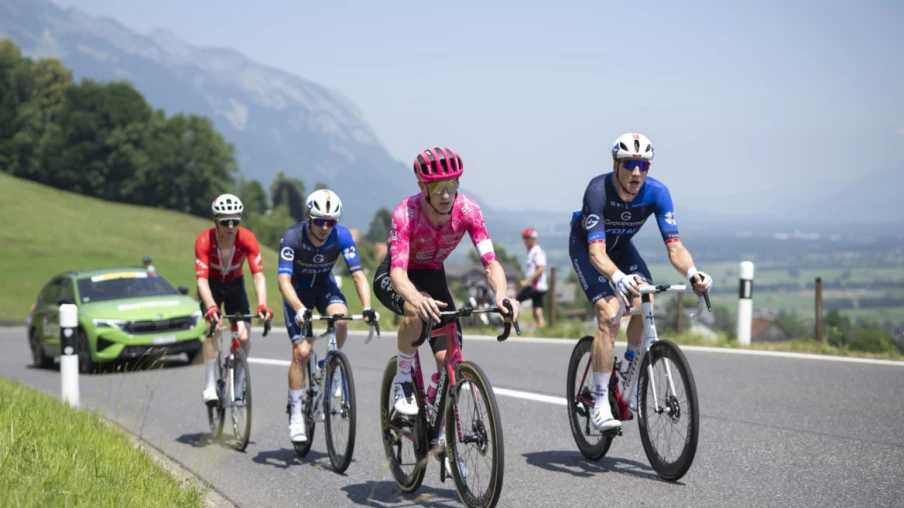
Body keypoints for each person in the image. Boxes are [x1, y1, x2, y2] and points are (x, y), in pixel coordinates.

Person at [372, 146, 520, 477]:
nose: (445, 193)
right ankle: (402, 381)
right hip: (398, 275)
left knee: (449, 360)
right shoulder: (405, 213)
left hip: (433, 276)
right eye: (437, 186)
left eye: (451, 184)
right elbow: (397, 274)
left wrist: (502, 295)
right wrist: (415, 297)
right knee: (415, 311)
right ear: (423, 188)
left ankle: (440, 438)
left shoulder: (468, 210)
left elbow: (490, 262)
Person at [569, 133, 712, 432]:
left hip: (620, 248)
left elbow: (675, 247)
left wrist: (693, 273)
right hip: (588, 249)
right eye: (630, 164)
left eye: (643, 166)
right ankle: (600, 403)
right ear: (615, 164)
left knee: (645, 300)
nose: (636, 173)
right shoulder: (597, 190)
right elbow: (596, 252)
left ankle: (628, 369)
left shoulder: (658, 193)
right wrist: (617, 277)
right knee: (610, 315)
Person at [278, 189, 376, 444]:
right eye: (319, 221)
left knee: (341, 319)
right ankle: (297, 414)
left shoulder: (341, 236)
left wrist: (367, 307)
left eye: (330, 222)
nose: (324, 227)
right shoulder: (292, 237)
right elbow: (283, 280)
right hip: (297, 294)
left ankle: (331, 365)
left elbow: (358, 275)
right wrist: (299, 308)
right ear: (308, 217)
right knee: (302, 352)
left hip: (323, 288)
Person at [195, 194, 274, 405]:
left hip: (235, 285)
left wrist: (262, 304)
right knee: (215, 325)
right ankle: (210, 385)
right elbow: (201, 281)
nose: (231, 226)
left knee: (244, 336)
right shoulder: (204, 240)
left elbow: (258, 275)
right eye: (225, 222)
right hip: (211, 284)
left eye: (235, 221)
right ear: (215, 221)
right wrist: (211, 307)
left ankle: (238, 383)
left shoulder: (247, 238)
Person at [516, 227, 548, 328]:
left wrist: (527, 281)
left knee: (516, 300)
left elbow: (540, 268)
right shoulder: (532, 251)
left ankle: (513, 322)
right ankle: (541, 326)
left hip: (535, 285)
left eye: (526, 239)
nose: (525, 242)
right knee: (537, 307)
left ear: (532, 239)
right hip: (537, 285)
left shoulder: (536, 252)